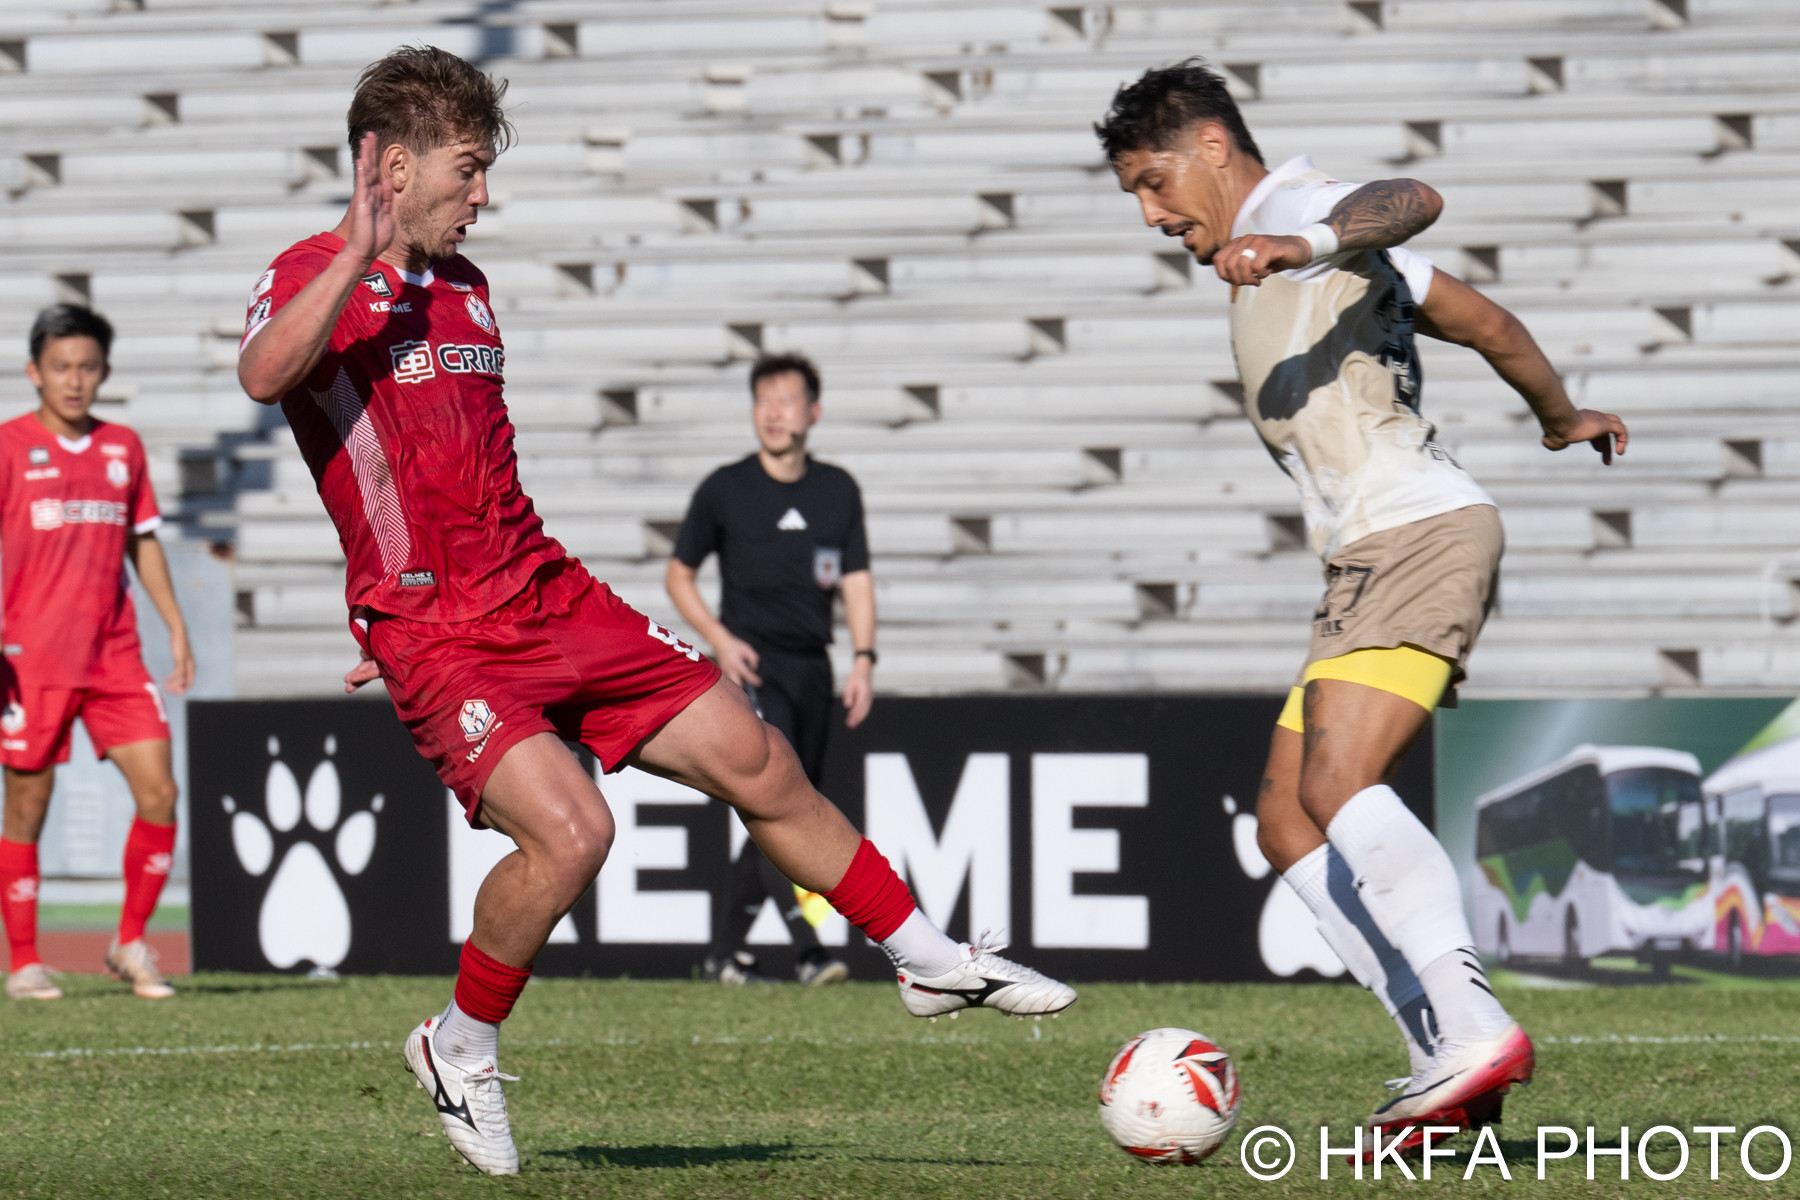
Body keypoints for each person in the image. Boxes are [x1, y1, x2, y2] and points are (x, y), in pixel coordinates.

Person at [235, 47, 1074, 1177]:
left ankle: (926, 957)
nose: (483, 194)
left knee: (758, 758)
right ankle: (458, 1046)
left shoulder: (467, 286)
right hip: (440, 634)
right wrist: (353, 252)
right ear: (392, 168)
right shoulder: (310, 273)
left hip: (545, 593)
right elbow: (263, 375)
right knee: (576, 833)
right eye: (469, 169)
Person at [1097, 60, 1629, 1146]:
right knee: (1289, 818)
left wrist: (1298, 242)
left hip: (1414, 535)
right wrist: (1560, 416)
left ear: (1211, 148)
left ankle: (1472, 1027)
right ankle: (1443, 1053)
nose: (1151, 214)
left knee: (1338, 784)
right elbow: (1489, 323)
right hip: (1373, 552)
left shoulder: (1301, 210)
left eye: (1154, 182)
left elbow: (1413, 196)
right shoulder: (1334, 255)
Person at [0, 304, 194, 1002]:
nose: (75, 380)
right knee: (27, 806)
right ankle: (26, 961)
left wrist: (174, 624)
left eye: (87, 367)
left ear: (104, 372)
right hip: (32, 660)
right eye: (61, 367)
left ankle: (131, 943)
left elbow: (143, 541)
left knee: (160, 793)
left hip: (115, 656)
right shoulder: (9, 446)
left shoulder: (123, 447)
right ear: (35, 372)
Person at [667, 352, 873, 988]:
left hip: (813, 668)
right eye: (763, 401)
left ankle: (724, 954)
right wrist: (720, 641)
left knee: (797, 808)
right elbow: (679, 574)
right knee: (776, 801)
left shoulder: (838, 490)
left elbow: (857, 580)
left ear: (814, 412)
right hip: (751, 670)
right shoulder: (726, 488)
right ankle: (809, 951)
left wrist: (863, 659)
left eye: (786, 401)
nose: (773, 414)